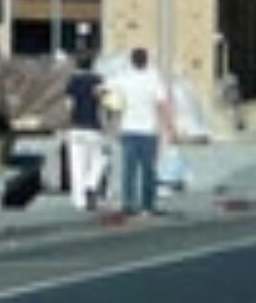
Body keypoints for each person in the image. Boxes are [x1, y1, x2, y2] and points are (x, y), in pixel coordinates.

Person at [105, 45, 173, 215]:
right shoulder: (153, 78)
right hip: (149, 130)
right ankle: (147, 205)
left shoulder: (124, 78)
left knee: (129, 170)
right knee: (149, 170)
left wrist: (111, 111)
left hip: (128, 129)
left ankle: (128, 204)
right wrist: (169, 126)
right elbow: (162, 104)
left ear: (131, 61)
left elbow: (102, 89)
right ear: (147, 60)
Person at [60, 49, 108, 209]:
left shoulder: (72, 81)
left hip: (76, 127)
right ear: (93, 64)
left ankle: (78, 200)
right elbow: (104, 104)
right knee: (100, 159)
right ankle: (91, 184)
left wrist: (66, 125)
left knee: (77, 164)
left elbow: (68, 106)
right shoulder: (99, 80)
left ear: (76, 64)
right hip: (94, 126)